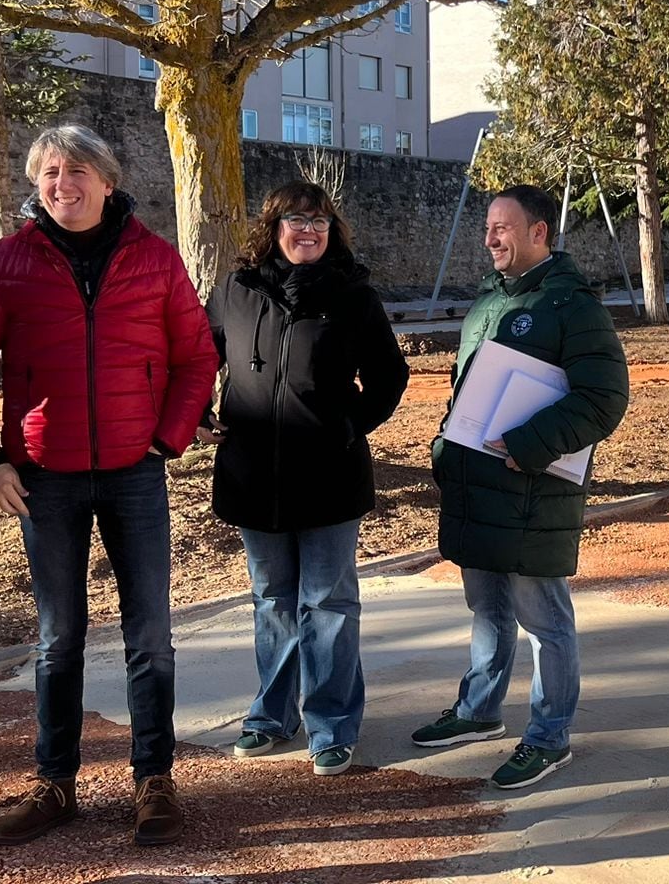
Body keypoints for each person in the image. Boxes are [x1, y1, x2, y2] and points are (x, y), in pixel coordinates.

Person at [0, 125, 217, 848]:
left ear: (106, 180)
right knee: (58, 638)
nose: (62, 184)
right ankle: (53, 782)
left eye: (76, 172)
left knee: (151, 635)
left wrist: (168, 439)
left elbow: (197, 357)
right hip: (45, 477)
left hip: (135, 472)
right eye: (49, 172)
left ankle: (153, 780)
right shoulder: (5, 264)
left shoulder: (155, 260)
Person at [414, 184, 629, 790]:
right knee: (486, 607)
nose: (489, 238)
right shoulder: (488, 301)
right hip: (478, 487)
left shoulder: (573, 306)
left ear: (540, 233)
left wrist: (533, 443)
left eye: (502, 227)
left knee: (545, 620)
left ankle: (549, 735)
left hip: (534, 489)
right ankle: (479, 712)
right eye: (487, 227)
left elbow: (604, 399)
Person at [200, 181, 410, 776]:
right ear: (273, 227)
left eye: (318, 222)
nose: (307, 230)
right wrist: (194, 412)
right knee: (272, 601)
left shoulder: (353, 296)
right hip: (252, 475)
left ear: (331, 231)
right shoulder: (236, 291)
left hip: (328, 476)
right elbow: (196, 355)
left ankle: (332, 724)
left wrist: (349, 426)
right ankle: (272, 715)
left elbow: (390, 378)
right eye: (295, 219)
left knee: (329, 603)